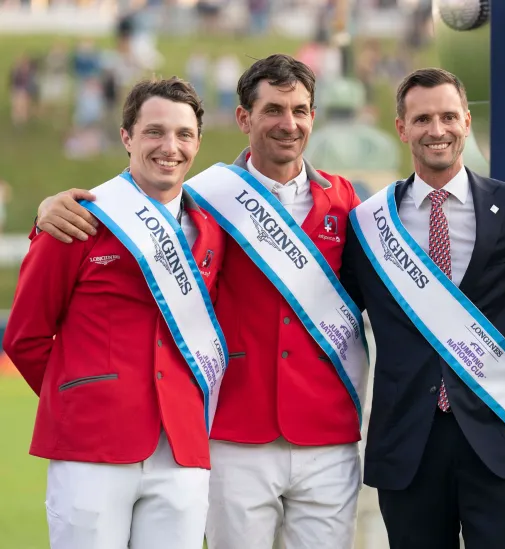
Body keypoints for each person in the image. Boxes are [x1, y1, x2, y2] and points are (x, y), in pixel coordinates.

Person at [33, 55, 365, 549]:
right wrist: (49, 209)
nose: (288, 123)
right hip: (234, 428)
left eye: (299, 110)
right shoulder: (205, 199)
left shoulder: (345, 200)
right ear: (243, 118)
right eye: (273, 109)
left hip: (325, 429)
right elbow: (140, 200)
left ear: (314, 116)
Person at [4, 77, 226, 549]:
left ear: (198, 143)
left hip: (182, 449)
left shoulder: (213, 229)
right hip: (91, 444)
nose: (170, 147)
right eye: (154, 132)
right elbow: (24, 337)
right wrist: (80, 395)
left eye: (184, 135)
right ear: (126, 137)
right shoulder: (79, 218)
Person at [341, 67, 505, 549]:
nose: (436, 130)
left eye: (448, 117)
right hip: (408, 444)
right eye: (422, 120)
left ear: (466, 122)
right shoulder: (370, 224)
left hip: (498, 438)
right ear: (401, 128)